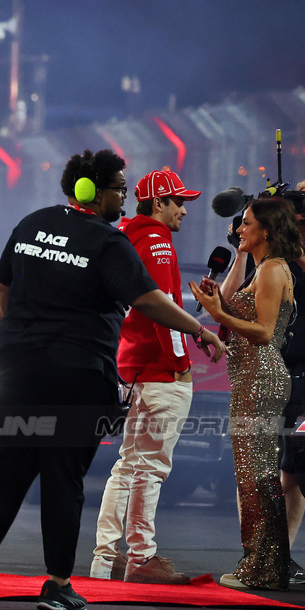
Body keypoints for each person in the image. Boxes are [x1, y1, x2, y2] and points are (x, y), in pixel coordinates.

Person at [0, 149, 225, 610]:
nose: (123, 195)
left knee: (9, 471)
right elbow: (149, 300)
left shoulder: (30, 225)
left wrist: (17, 341)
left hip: (19, 376)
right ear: (89, 190)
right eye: (118, 187)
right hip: (77, 378)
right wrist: (199, 329)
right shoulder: (106, 242)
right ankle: (56, 585)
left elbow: (3, 291)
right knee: (63, 478)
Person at [219, 177, 305, 586]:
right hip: (266, 375)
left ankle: (281, 553)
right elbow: (228, 300)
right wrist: (243, 248)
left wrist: (288, 246)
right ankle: (261, 552)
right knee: (257, 468)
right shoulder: (268, 262)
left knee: (294, 470)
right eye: (302, 207)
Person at [90, 169, 202, 584]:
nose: (184, 211)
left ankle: (106, 558)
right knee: (150, 468)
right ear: (158, 204)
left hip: (131, 365)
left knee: (127, 465)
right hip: (158, 368)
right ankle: (141, 556)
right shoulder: (157, 241)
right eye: (179, 201)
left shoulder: (124, 234)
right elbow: (159, 306)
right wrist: (181, 361)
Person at [189, 197, 301, 590]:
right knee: (255, 475)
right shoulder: (263, 268)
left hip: (261, 379)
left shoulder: (271, 271)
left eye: (247, 224)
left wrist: (219, 315)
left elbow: (265, 333)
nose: (240, 229)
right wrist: (219, 305)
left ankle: (263, 567)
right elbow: (246, 324)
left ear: (266, 230)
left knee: (258, 476)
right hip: (251, 377)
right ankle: (268, 565)